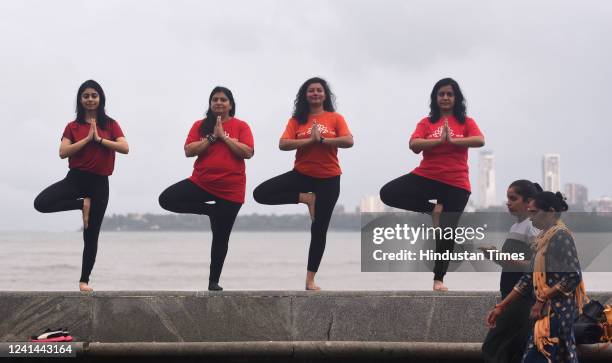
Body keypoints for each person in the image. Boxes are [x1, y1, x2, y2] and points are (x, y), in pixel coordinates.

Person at [379, 77, 485, 291]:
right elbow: (414, 145)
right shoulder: (427, 122)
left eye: (449, 94)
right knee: (388, 193)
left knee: (447, 234)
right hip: (428, 176)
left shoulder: (466, 122)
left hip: (456, 182)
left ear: (456, 98)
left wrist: (453, 141)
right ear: (435, 98)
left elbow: (480, 140)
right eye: (441, 94)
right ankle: (432, 209)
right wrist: (438, 141)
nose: (445, 98)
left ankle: (439, 279)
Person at [253, 77, 353, 291]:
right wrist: (309, 140)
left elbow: (348, 141)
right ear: (305, 95)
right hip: (301, 175)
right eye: (311, 91)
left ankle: (310, 280)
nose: (315, 93)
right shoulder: (297, 120)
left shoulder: (335, 118)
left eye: (319, 90)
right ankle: (305, 198)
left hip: (329, 179)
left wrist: (323, 140)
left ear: (325, 95)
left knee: (319, 229)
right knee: (260, 193)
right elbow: (283, 144)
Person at [34, 80, 129, 292]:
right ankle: (81, 204)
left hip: (99, 183)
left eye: (94, 95)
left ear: (100, 98)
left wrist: (100, 140)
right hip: (75, 179)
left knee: (91, 234)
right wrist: (87, 139)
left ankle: (84, 281)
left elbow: (125, 147)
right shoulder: (72, 126)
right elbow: (63, 152)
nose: (90, 99)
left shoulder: (111, 124)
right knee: (41, 203)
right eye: (85, 95)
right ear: (80, 99)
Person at [158, 86, 253, 291]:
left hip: (231, 190)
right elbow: (188, 151)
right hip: (202, 182)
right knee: (166, 199)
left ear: (230, 104)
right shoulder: (200, 125)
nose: (219, 103)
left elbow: (248, 152)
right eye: (215, 99)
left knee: (221, 237)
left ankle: (213, 282)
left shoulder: (241, 126)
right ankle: (210, 211)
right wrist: (211, 138)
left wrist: (224, 137)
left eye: (223, 100)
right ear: (210, 104)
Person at [486, 191, 586, 363]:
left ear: (550, 212)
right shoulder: (542, 239)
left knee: (537, 357)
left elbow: (572, 276)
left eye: (534, 212)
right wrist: (502, 306)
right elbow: (527, 279)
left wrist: (541, 299)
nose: (530, 218)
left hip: (556, 313)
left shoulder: (560, 236)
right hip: (542, 313)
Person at [480, 180, 542, 363]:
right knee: (512, 350)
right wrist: (495, 256)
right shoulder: (516, 227)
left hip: (522, 299)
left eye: (513, 198)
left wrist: (506, 258)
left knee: (492, 348)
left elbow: (538, 266)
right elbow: (511, 264)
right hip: (509, 295)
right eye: (507, 198)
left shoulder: (532, 228)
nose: (508, 202)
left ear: (528, 201)